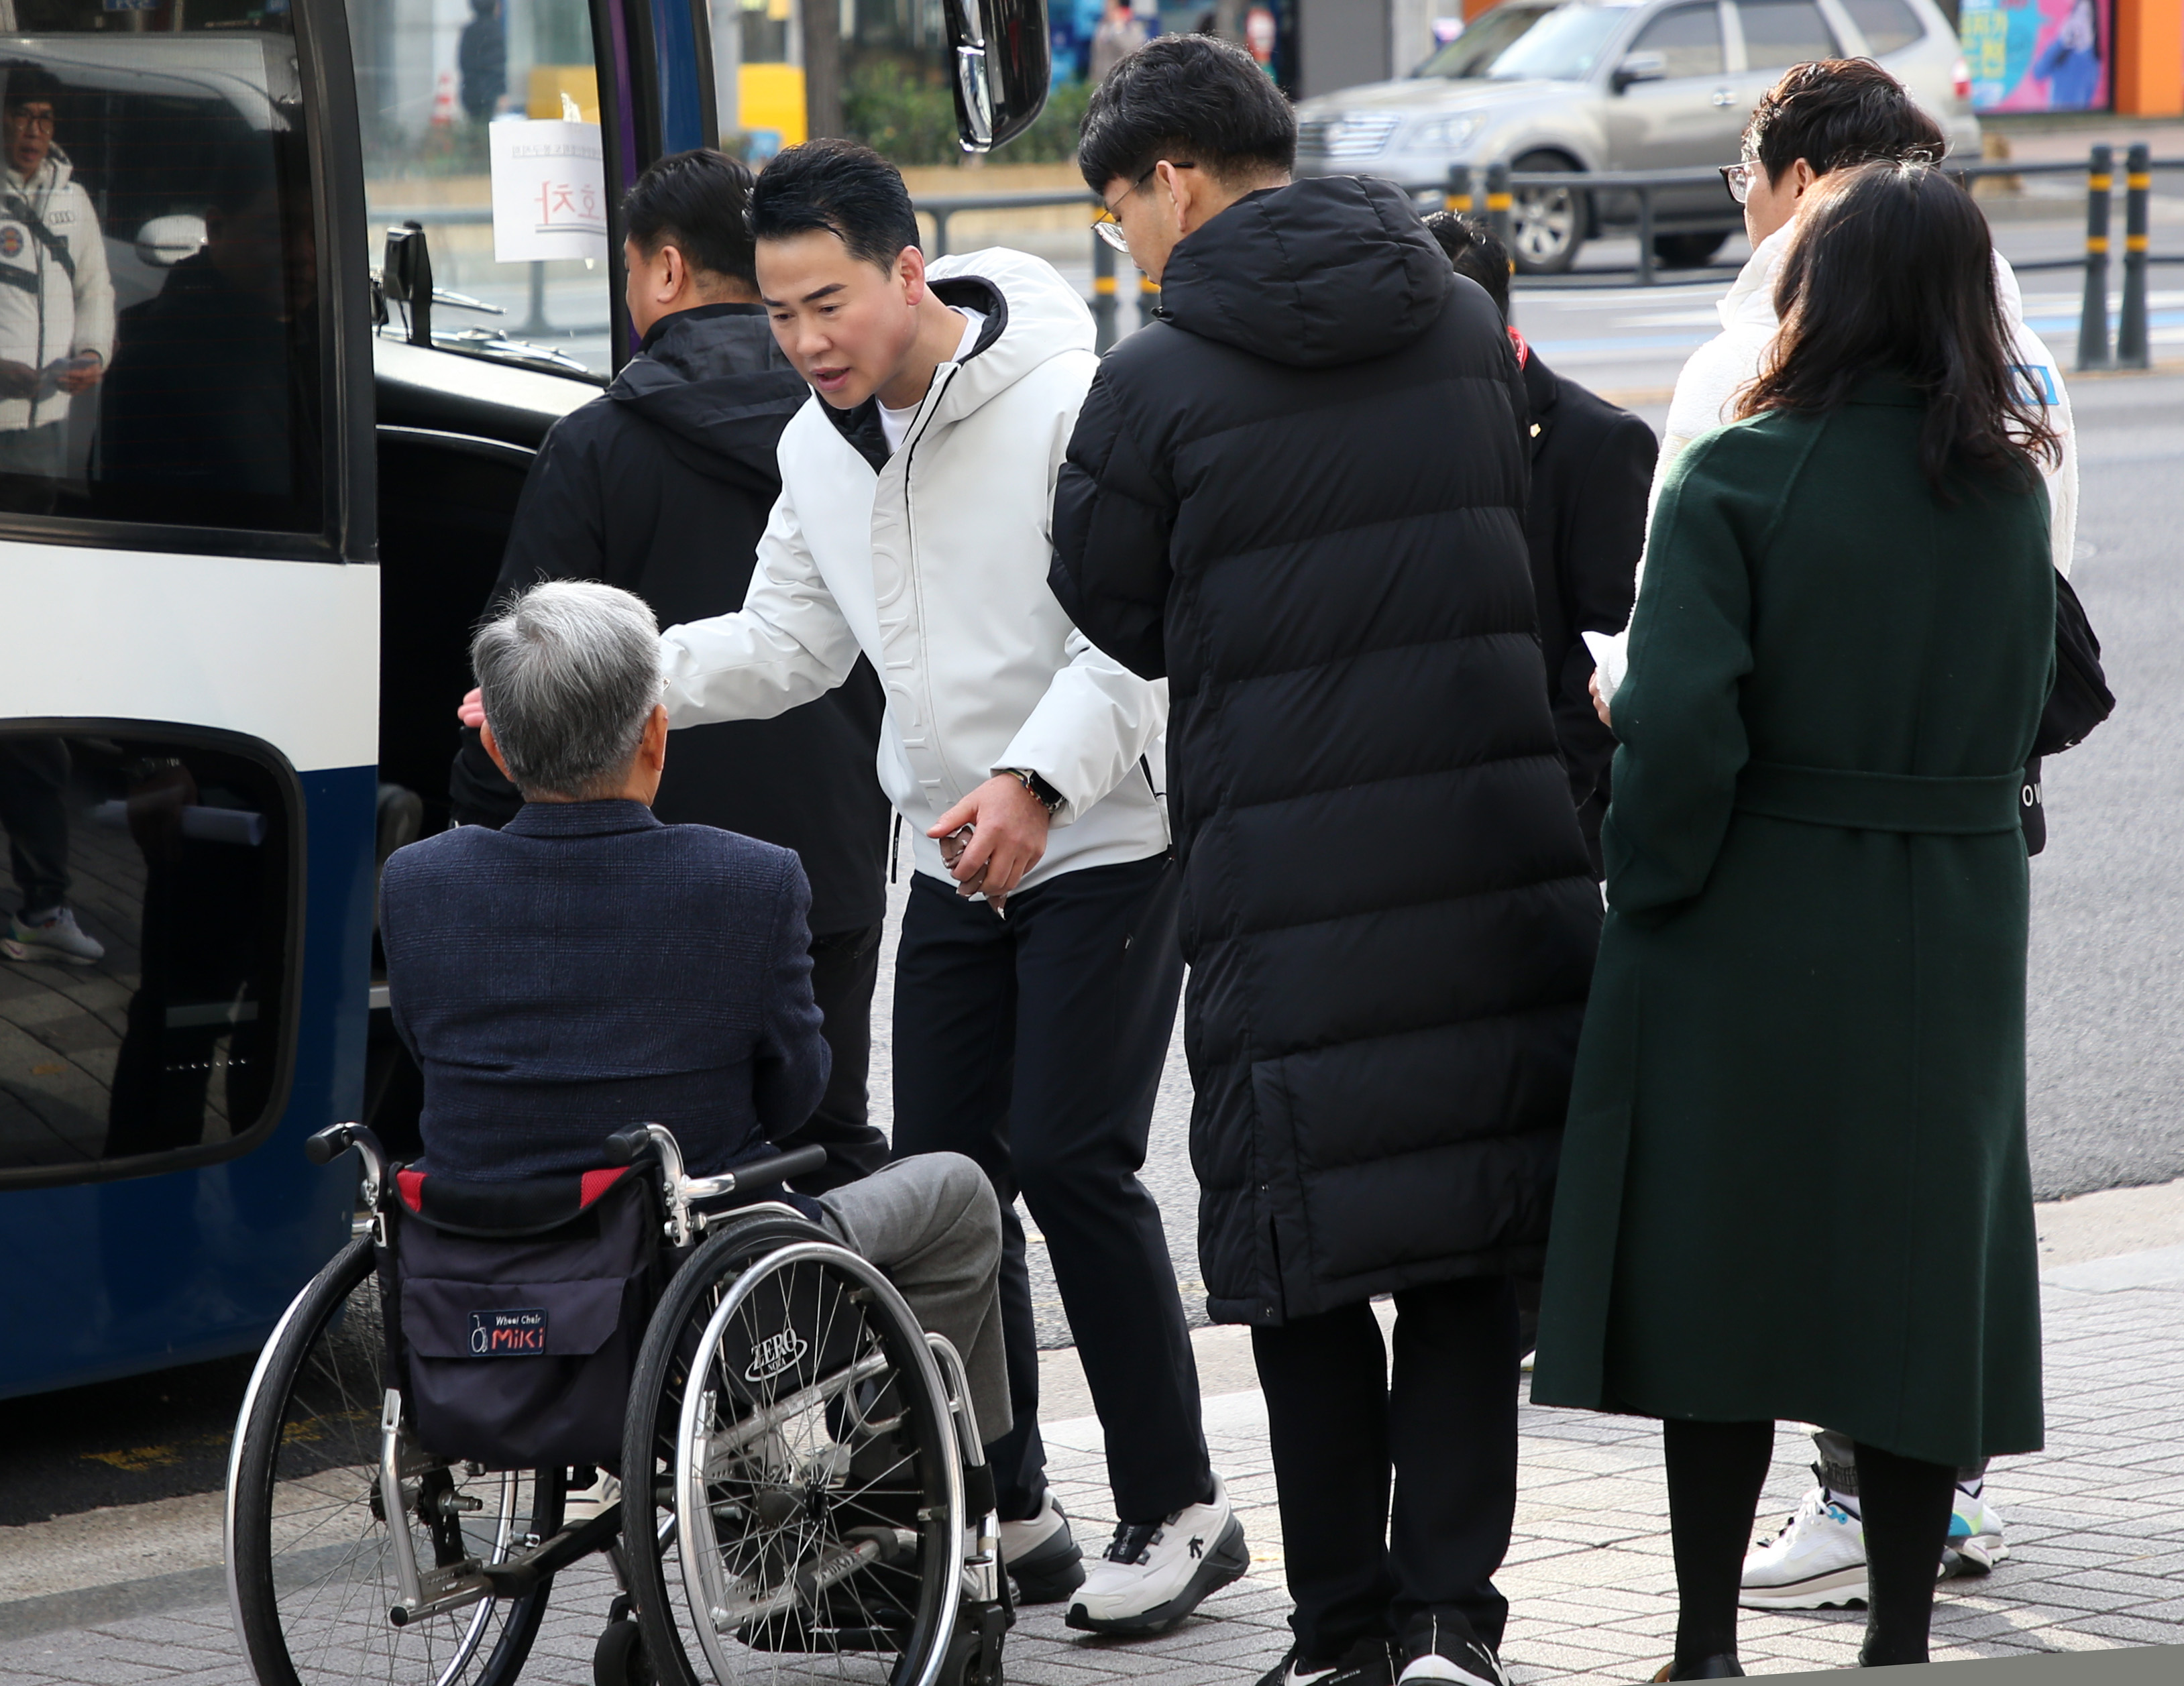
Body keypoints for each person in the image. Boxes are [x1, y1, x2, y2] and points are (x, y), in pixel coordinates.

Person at [461, 139, 1244, 1632]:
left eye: (828, 303)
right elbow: (786, 643)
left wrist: (1036, 783)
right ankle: (1002, 1505)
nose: (806, 342)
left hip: (1100, 836)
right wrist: (596, 683)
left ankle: (1181, 1506)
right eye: (776, 315)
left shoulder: (1069, 407)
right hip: (950, 854)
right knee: (945, 1194)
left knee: (1075, 1158)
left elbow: (1136, 636)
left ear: (904, 271)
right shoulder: (816, 449)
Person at [1050, 37, 1602, 1686]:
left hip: (1285, 875)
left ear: (1174, 179)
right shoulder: (1449, 310)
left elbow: (1109, 601)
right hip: (1486, 853)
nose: (1123, 247)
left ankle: (1338, 1633)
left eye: (1116, 214)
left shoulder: (1151, 376)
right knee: (1458, 1253)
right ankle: (1452, 1622)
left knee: (1302, 1267)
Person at [1531, 159, 2059, 1680]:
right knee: (1908, 1295)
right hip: (1947, 925)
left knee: (1723, 1292)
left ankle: (1704, 1646)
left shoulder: (1738, 478)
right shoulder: (2002, 492)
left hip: (1751, 917)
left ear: (1815, 294)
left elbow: (1682, 735)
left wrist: (1652, 887)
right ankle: (1895, 1638)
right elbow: (2016, 708)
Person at [388, 580, 1012, 1451]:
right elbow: (796, 1096)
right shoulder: (748, 880)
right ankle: (911, 1482)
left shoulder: (418, 882)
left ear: (496, 745)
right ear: (654, 731)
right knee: (956, 1190)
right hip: (706, 1290)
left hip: (479, 1272)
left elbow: (425, 1051)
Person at [447, 148, 892, 1197]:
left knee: (659, 1150)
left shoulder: (595, 446)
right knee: (823, 1134)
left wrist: (476, 822)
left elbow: (528, 669)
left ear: (666, 272)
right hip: (832, 853)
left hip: (643, 873)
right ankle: (830, 1341)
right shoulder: (855, 430)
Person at [1425, 210, 1655, 877]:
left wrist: (1545, 794)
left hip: (1552, 820)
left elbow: (1607, 637)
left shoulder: (1598, 443)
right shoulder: (1391, 431)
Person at [0, 62, 111, 514]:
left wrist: (93, 354)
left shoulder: (74, 199)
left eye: (46, 118)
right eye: (23, 115)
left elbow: (95, 289)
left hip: (41, 423)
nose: (34, 131)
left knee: (29, 561)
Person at [457, 0, 506, 123]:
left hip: (470, 91)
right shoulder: (495, 29)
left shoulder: (469, 30)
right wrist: (502, 91)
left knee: (475, 127)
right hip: (490, 91)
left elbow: (463, 62)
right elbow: (497, 64)